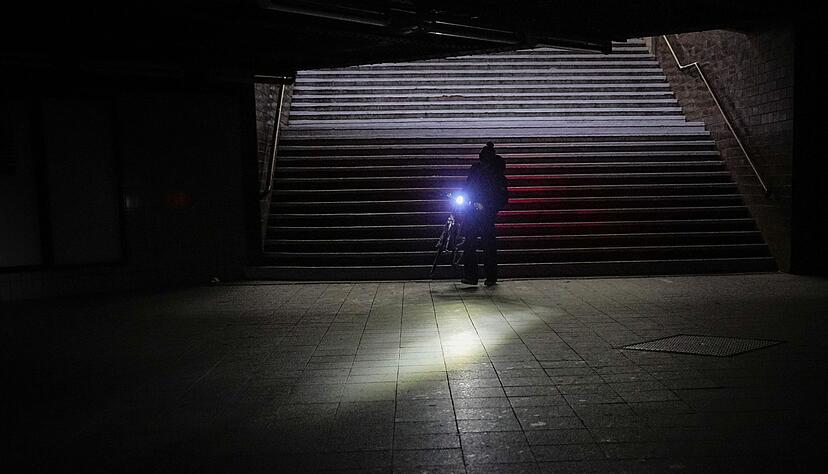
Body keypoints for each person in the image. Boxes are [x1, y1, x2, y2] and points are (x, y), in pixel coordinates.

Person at [460, 142, 508, 286]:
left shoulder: (495, 174)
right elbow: (468, 186)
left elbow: (499, 195)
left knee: (482, 243)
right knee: (474, 242)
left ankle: (485, 275)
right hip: (475, 210)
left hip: (486, 212)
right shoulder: (477, 170)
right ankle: (476, 275)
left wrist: (487, 207)